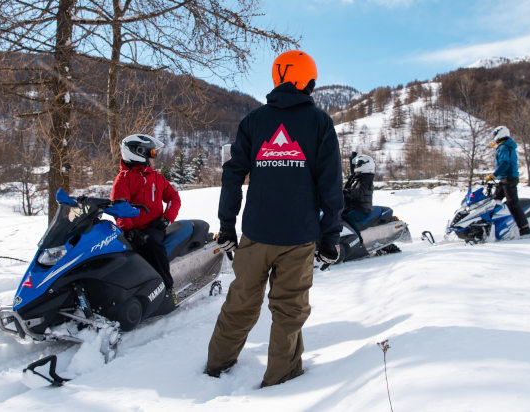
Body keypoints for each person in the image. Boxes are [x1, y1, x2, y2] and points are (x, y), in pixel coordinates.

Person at [205, 50, 344, 387]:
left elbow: (232, 175)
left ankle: (215, 368)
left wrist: (226, 225)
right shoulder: (320, 123)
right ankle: (281, 381)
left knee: (241, 302)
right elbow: (331, 186)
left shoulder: (254, 121)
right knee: (289, 311)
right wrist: (330, 236)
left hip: (256, 234)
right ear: (306, 80)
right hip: (299, 237)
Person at [111, 133, 181, 294]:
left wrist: (166, 218)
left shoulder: (156, 177)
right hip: (131, 230)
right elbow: (120, 208)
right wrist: (128, 229)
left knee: (153, 245)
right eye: (151, 153)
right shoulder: (123, 179)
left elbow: (174, 198)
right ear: (138, 152)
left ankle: (167, 289)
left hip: (154, 227)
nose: (153, 157)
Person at [485, 125, 530, 236]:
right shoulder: (504, 146)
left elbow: (505, 163)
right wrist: (497, 146)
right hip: (504, 179)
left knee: (512, 203)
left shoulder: (504, 147)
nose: (494, 137)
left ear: (500, 134)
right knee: (494, 202)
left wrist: (494, 175)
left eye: (495, 135)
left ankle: (524, 229)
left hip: (508, 179)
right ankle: (491, 228)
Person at [342, 154, 375, 245]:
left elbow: (358, 192)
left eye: (359, 163)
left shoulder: (366, 179)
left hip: (362, 209)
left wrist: (346, 192)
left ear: (366, 164)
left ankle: (358, 239)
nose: (357, 166)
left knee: (349, 217)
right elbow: (348, 188)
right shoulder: (358, 177)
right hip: (353, 207)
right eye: (357, 164)